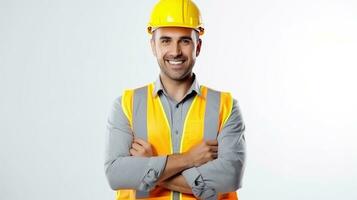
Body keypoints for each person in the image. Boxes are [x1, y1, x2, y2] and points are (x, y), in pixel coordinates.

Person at [104, 0, 246, 199]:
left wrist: (150, 165)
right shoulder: (126, 105)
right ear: (153, 46)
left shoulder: (226, 106)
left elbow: (230, 177)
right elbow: (116, 174)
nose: (175, 51)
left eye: (185, 40)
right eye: (165, 40)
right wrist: (188, 159)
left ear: (198, 46)